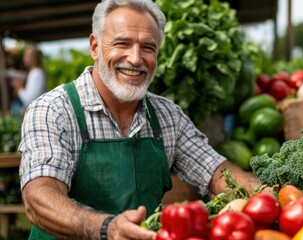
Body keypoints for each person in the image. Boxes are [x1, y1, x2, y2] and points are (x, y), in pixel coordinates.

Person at [18, 0, 265, 239]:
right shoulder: (54, 110)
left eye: (148, 47)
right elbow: (39, 197)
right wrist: (105, 228)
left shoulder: (167, 116)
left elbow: (215, 170)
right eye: (122, 43)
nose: (136, 59)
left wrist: (264, 194)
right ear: (95, 47)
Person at [10, 44, 47, 113]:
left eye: (28, 55)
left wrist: (19, 88)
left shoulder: (36, 73)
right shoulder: (34, 72)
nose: (24, 58)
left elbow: (30, 99)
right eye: (25, 55)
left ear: (35, 58)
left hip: (36, 111)